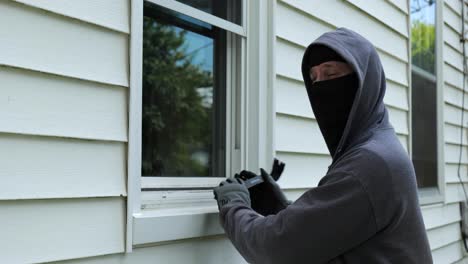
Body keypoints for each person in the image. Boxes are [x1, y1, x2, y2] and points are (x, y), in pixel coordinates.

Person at [213, 28, 433, 264]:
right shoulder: (377, 147)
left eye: (331, 74)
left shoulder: (368, 163)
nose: (320, 88)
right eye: (314, 78)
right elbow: (338, 231)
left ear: (363, 83)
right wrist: (279, 207)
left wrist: (232, 205)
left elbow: (276, 249)